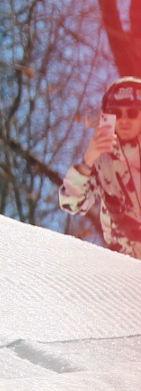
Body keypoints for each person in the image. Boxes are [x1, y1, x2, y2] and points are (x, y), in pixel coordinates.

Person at [60, 77, 141, 259]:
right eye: (116, 113)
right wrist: (89, 159)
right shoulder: (101, 160)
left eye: (133, 113)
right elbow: (71, 204)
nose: (124, 120)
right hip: (124, 260)